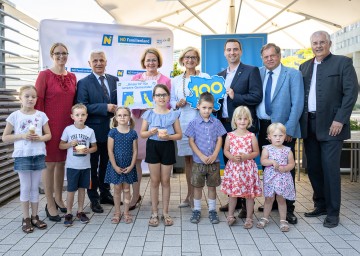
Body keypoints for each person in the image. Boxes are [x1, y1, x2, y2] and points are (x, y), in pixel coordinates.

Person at [299, 31, 358, 228]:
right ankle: (321, 205)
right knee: (314, 168)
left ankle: (333, 213)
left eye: (322, 42)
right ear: (311, 44)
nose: (318, 46)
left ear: (329, 43)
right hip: (309, 125)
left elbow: (351, 92)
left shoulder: (343, 63)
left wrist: (340, 120)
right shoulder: (304, 66)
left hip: (333, 126)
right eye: (314, 42)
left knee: (330, 169)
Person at [256, 43, 304, 225]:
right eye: (266, 56)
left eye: (272, 55)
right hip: (263, 128)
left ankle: (289, 208)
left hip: (283, 131)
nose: (269, 59)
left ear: (279, 55)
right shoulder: (258, 73)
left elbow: (298, 103)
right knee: (268, 167)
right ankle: (273, 201)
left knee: (286, 169)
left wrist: (289, 130)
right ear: (262, 58)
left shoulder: (292, 74)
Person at [217, 38, 262, 217]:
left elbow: (257, 96)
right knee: (231, 164)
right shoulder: (219, 75)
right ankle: (233, 200)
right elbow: (218, 101)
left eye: (235, 49)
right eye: (229, 50)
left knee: (245, 164)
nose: (232, 52)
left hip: (243, 127)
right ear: (224, 52)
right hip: (225, 124)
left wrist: (237, 96)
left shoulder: (251, 71)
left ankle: (245, 205)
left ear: (241, 51)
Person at [35, 42, 77, 221]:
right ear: (52, 55)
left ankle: (59, 198)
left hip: (67, 126)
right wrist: (41, 127)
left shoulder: (73, 77)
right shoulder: (44, 75)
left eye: (64, 53)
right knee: (50, 164)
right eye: (58, 53)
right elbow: (38, 102)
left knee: (61, 164)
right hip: (50, 125)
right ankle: (50, 202)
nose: (61, 56)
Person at [2, 85, 51, 233]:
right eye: (27, 96)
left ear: (37, 99)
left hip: (38, 154)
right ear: (20, 98)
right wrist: (22, 135)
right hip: (22, 155)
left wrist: (40, 138)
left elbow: (48, 134)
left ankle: (35, 216)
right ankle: (26, 218)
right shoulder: (15, 116)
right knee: (25, 187)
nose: (30, 99)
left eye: (33, 97)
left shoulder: (41, 115)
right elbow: (5, 137)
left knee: (34, 187)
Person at [77, 50, 118, 213]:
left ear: (106, 62)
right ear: (89, 63)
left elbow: (122, 101)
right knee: (92, 166)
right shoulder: (83, 83)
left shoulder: (115, 80)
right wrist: (105, 107)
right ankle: (93, 198)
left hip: (112, 131)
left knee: (107, 165)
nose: (99, 63)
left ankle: (105, 194)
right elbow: (82, 105)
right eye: (95, 61)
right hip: (92, 132)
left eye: (101, 60)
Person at [130, 48, 171, 210]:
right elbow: (131, 102)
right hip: (140, 121)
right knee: (137, 160)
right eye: (148, 60)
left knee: (159, 162)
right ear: (143, 62)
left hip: (158, 123)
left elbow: (168, 103)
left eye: (154, 60)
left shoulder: (166, 80)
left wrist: (155, 105)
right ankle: (135, 195)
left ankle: (159, 197)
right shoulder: (135, 79)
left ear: (158, 62)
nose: (151, 63)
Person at [170, 46, 210, 208]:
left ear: (197, 60)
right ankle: (189, 195)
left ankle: (197, 197)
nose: (190, 60)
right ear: (182, 60)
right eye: (187, 57)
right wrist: (176, 103)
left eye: (193, 57)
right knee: (188, 160)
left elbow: (211, 98)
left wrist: (203, 104)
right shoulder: (176, 80)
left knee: (198, 161)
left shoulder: (205, 77)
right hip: (183, 123)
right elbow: (171, 100)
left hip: (201, 124)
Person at [140, 84, 182, 227]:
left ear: (168, 97)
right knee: (154, 181)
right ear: (153, 98)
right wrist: (151, 132)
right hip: (153, 146)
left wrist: (169, 137)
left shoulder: (173, 114)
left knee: (165, 181)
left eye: (164, 94)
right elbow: (142, 133)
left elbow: (179, 135)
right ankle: (154, 212)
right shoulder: (149, 114)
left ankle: (165, 212)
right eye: (158, 95)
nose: (161, 97)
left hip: (167, 146)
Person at [184, 92, 227, 224]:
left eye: (209, 108)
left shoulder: (217, 122)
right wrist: (201, 156)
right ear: (198, 106)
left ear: (213, 108)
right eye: (204, 107)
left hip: (214, 162)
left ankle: (212, 210)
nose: (206, 110)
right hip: (198, 162)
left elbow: (220, 139)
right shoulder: (193, 123)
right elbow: (191, 141)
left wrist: (215, 154)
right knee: (197, 187)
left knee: (212, 187)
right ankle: (197, 210)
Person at [221, 106, 262, 228]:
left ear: (249, 120)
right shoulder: (230, 136)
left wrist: (247, 156)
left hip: (248, 169)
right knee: (233, 194)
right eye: (240, 118)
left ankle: (249, 218)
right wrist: (232, 157)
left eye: (245, 119)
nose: (242, 121)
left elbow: (256, 152)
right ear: (235, 120)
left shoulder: (251, 136)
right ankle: (230, 215)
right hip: (234, 169)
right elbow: (226, 150)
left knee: (249, 195)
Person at [59, 104, 97, 227]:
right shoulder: (68, 129)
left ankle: (80, 211)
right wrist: (70, 144)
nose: (80, 117)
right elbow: (61, 145)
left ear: (86, 116)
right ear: (72, 116)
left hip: (85, 166)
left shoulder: (90, 131)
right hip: (72, 166)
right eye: (77, 115)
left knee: (82, 189)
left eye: (82, 115)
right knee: (71, 190)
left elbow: (95, 147)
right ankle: (69, 212)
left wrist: (88, 150)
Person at [257, 123, 295, 232]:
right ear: (269, 136)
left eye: (280, 135)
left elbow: (292, 164)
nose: (278, 138)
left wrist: (286, 168)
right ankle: (265, 218)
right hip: (270, 177)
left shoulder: (288, 150)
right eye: (275, 136)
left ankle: (283, 220)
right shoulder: (266, 149)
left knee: (281, 199)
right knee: (269, 198)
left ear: (285, 136)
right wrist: (272, 161)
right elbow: (263, 161)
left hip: (282, 178)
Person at [105, 107, 138, 224]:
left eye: (125, 115)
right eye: (120, 115)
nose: (122, 117)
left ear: (129, 117)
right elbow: (110, 151)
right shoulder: (113, 132)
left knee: (127, 189)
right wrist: (114, 166)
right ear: (115, 118)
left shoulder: (133, 133)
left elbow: (135, 151)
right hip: (116, 165)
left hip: (128, 165)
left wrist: (132, 165)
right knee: (117, 188)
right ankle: (117, 212)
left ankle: (126, 212)